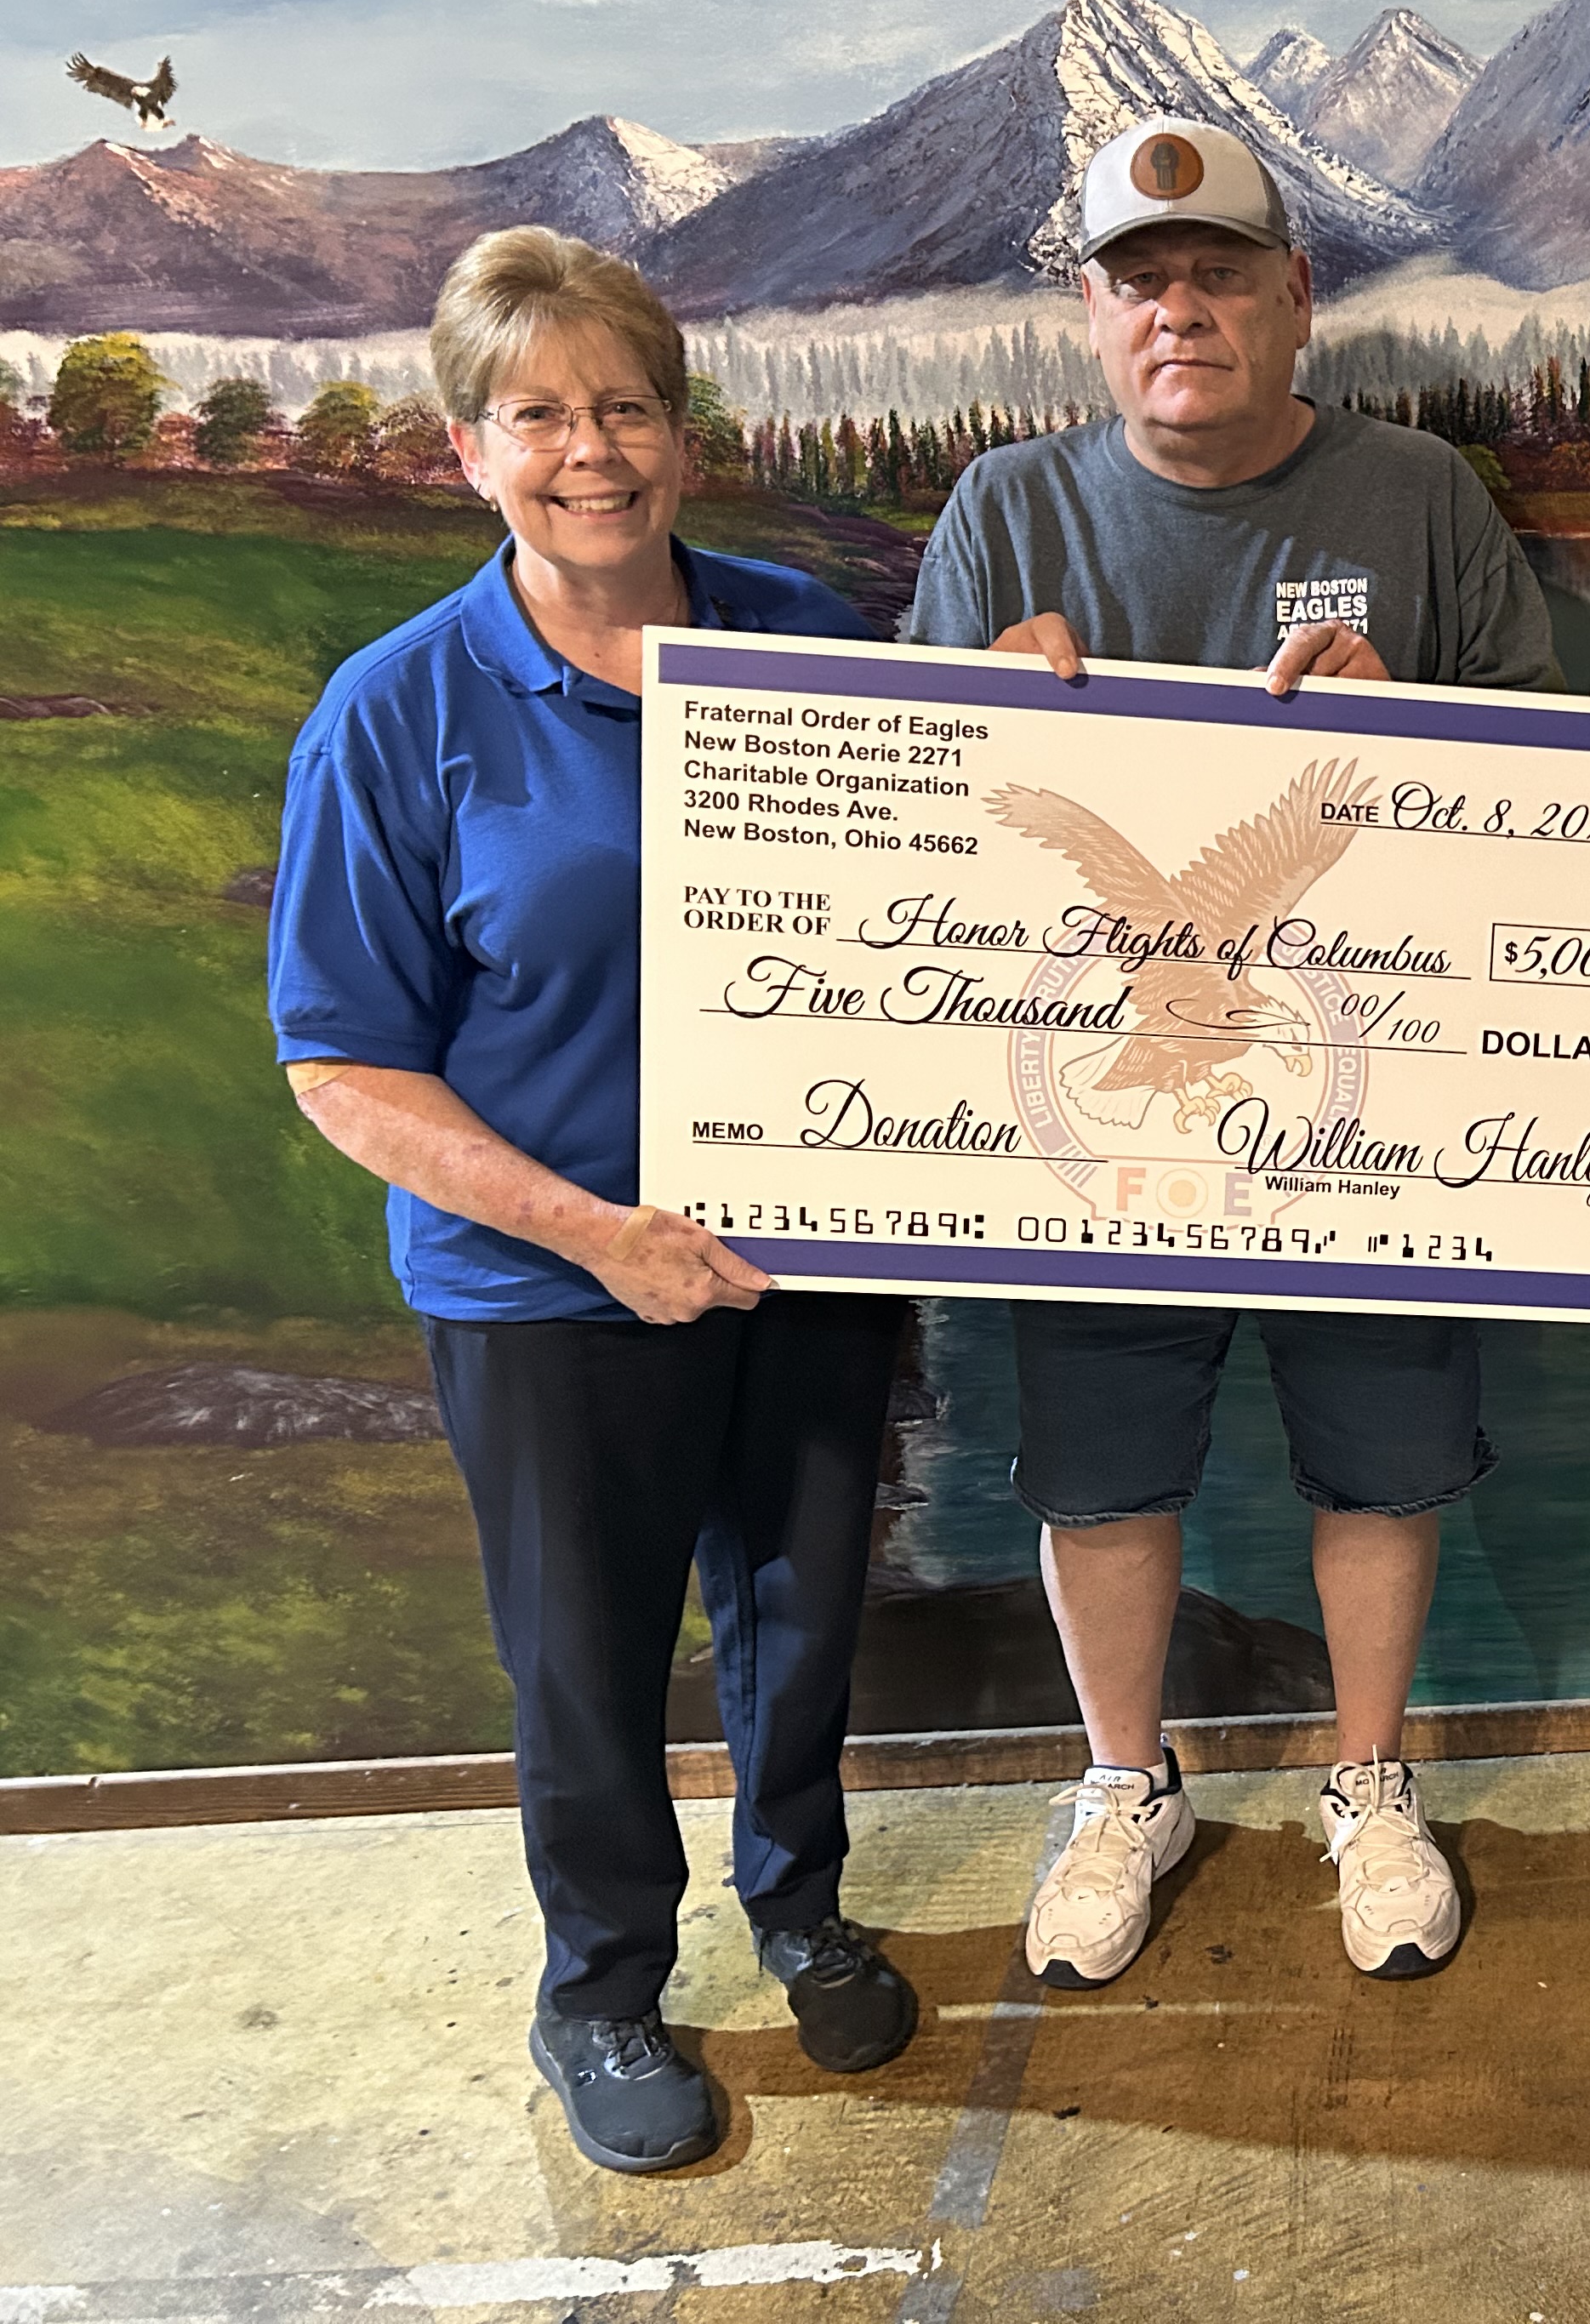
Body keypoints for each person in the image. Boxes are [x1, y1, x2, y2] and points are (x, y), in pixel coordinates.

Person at [269, 227, 916, 2175]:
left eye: (625, 407)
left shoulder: (803, 641)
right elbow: (343, 1066)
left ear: (683, 437)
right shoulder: (395, 711)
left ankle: (800, 1903)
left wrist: (1040, 701)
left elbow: (968, 879)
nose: (590, 451)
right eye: (537, 414)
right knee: (586, 1653)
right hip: (553, 1288)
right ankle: (605, 1988)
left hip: (801, 1250)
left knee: (801, 1610)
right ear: (470, 449)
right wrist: (593, 1233)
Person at [906, 117, 1552, 1990]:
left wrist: (1425, 731)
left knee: (1386, 1463)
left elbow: (1556, 784)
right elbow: (908, 840)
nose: (1177, 309)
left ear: (1296, 295)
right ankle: (1126, 1783)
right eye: (1140, 280)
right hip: (1095, 1117)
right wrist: (973, 719)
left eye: (1217, 274)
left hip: (1367, 1108)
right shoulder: (1004, 510)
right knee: (1101, 1474)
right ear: (1092, 312)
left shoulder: (1420, 496)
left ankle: (1369, 1780)